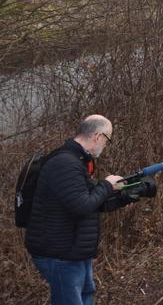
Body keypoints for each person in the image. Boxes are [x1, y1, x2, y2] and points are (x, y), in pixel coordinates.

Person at [25, 115, 130, 305]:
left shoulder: (77, 159)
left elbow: (87, 200)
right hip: (58, 253)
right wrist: (107, 185)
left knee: (85, 293)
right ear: (98, 137)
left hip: (74, 249)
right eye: (108, 140)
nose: (106, 146)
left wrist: (122, 196)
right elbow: (81, 206)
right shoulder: (65, 163)